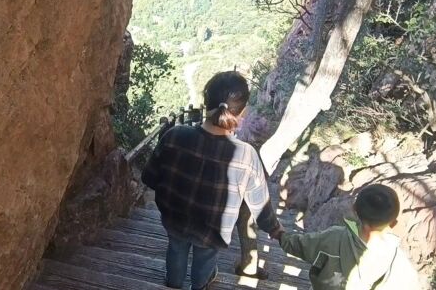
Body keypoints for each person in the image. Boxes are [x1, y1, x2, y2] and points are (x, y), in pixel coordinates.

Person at [142, 71, 283, 290]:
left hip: (175, 219)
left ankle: (172, 284)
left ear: (205, 101)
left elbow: (149, 177)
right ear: (242, 111)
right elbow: (260, 206)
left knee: (176, 250)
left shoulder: (175, 136)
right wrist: (275, 229)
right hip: (213, 230)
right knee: (205, 260)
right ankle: (199, 285)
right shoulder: (247, 155)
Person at [276, 184, 420, 290]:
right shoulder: (399, 261)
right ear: (393, 223)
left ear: (354, 209)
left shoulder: (334, 237)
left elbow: (301, 245)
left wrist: (281, 235)